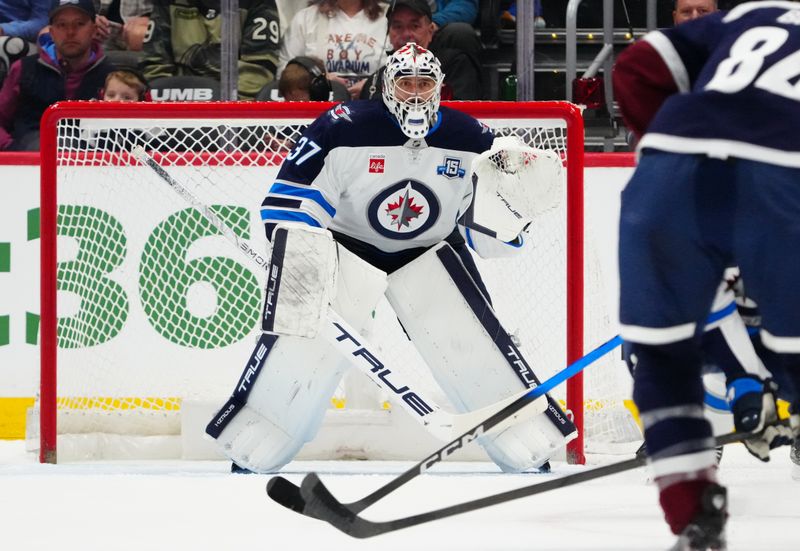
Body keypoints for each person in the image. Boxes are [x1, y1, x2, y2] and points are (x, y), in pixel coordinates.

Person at [205, 43, 577, 476]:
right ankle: (256, 444)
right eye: (406, 83)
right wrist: (302, 261)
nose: (415, 94)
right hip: (348, 248)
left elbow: (488, 238)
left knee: (473, 344)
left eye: (425, 84)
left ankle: (526, 445)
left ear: (440, 88)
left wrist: (514, 212)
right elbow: (286, 204)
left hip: (433, 250)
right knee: (303, 344)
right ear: (386, 86)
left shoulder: (472, 139)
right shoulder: (342, 127)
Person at [612, 2, 800, 549]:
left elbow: (638, 66)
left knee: (663, 359)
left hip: (670, 167)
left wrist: (667, 155)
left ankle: (695, 517)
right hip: (784, 176)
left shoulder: (756, 13)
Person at [0, 0, 115, 151]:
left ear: (93, 30)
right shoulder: (22, 68)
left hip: (90, 165)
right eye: (62, 25)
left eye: (79, 24)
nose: (70, 32)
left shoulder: (111, 76)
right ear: (51, 32)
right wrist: (13, 150)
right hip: (28, 162)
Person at [140, 0, 280, 100]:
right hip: (175, 105)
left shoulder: (259, 2)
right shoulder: (166, 2)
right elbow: (154, 65)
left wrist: (229, 111)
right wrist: (164, 107)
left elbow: (258, 70)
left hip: (232, 110)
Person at [359, 0, 482, 100]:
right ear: (389, 35)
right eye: (398, 27)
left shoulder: (455, 66)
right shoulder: (378, 80)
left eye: (415, 26)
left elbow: (466, 117)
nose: (406, 34)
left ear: (430, 32)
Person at [278, 0, 388, 100]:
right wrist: (320, 82)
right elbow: (285, 77)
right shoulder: (305, 19)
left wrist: (372, 85)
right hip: (319, 112)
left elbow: (401, 70)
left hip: (374, 109)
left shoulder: (388, 17)